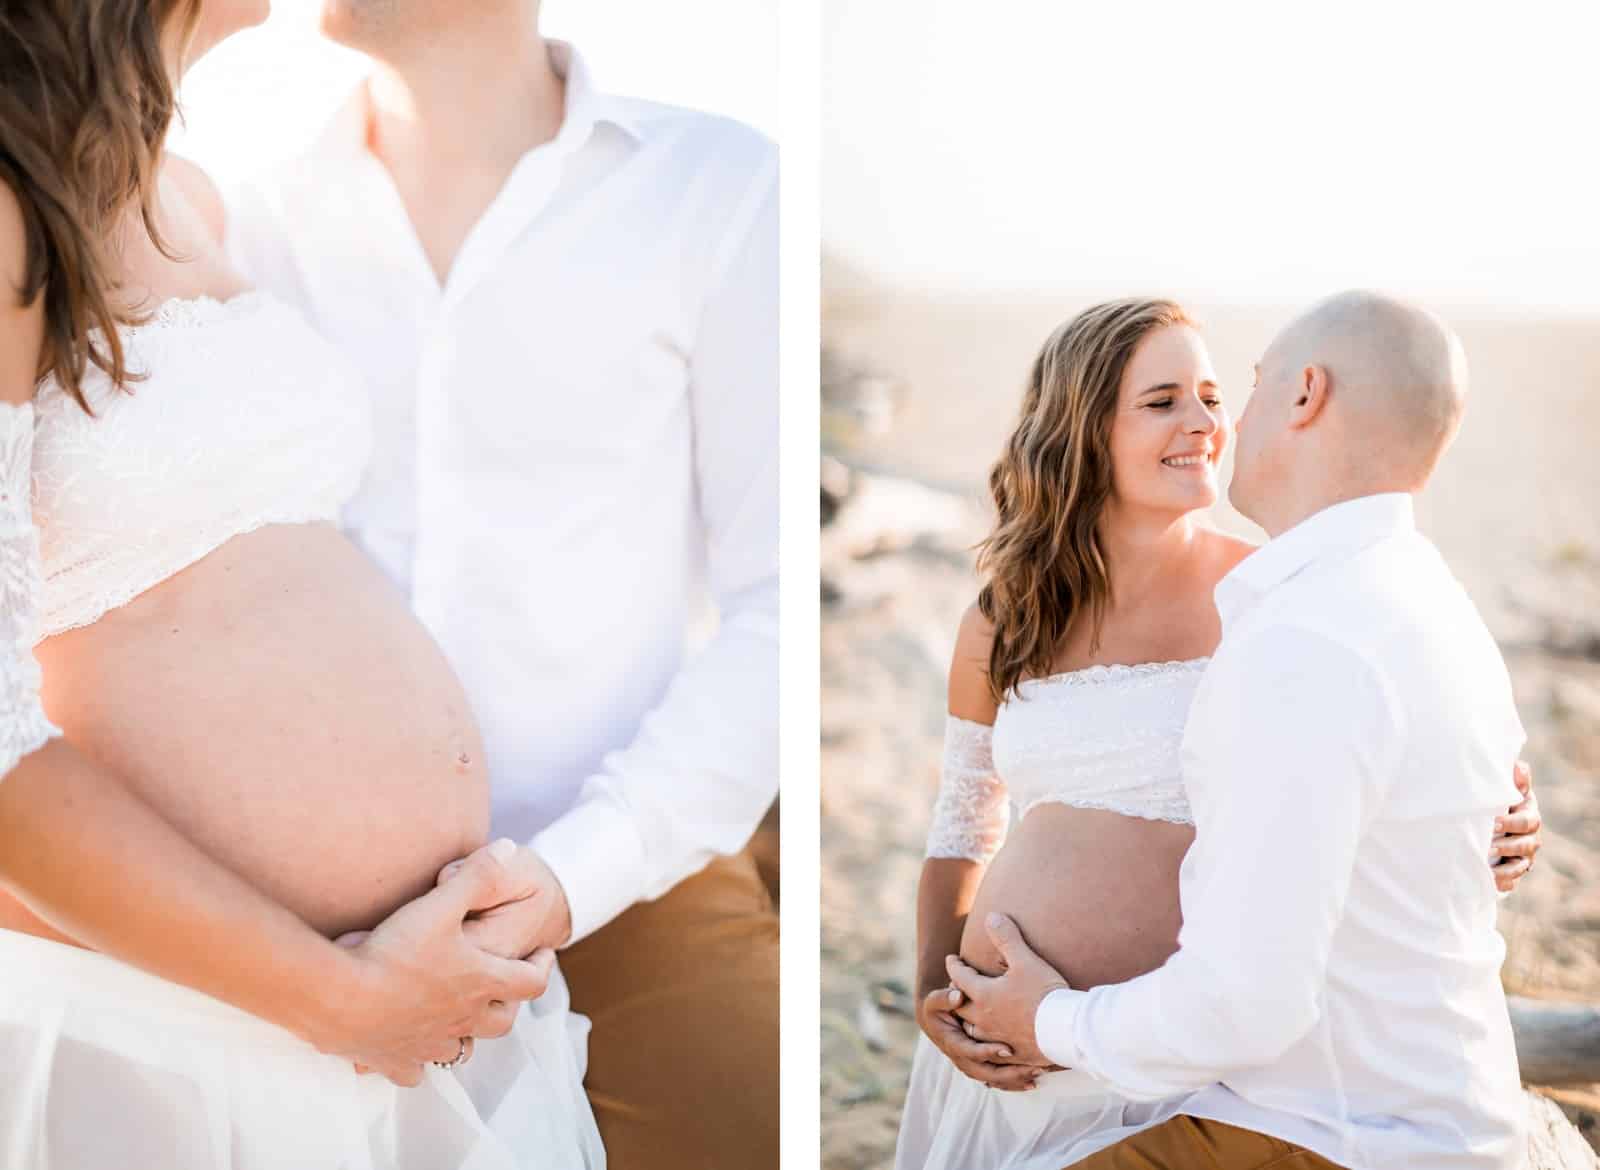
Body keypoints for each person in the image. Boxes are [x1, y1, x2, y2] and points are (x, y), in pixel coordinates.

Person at [0, 2, 600, 1165]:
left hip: (381, 1023)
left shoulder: (192, 194)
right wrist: (338, 996)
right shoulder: (7, 210)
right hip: (168, 1033)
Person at [222, 2, 780, 1166]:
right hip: (286, 885)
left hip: (624, 861)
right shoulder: (240, 206)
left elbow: (778, 604)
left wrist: (579, 872)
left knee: (739, 1121)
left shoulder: (713, 187)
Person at [896, 296, 1543, 1170]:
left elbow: (1386, 757)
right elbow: (965, 816)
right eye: (1162, 401)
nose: (1204, 422)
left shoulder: (1272, 599)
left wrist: (1496, 826)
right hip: (1008, 1049)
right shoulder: (1005, 616)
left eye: (1210, 395)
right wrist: (941, 992)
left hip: (1177, 1064)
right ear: (1080, 428)